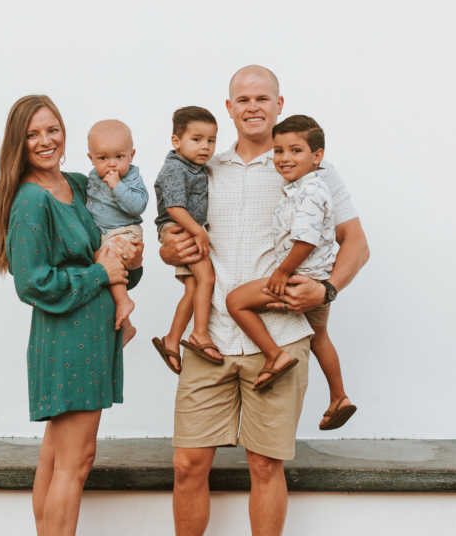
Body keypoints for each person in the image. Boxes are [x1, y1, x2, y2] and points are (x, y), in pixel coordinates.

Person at [159, 66, 369, 536]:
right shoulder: (202, 165)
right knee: (188, 465)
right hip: (208, 337)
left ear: (279, 104)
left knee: (265, 467)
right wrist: (166, 247)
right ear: (229, 108)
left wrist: (327, 288)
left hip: (282, 336)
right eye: (243, 99)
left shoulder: (308, 166)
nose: (252, 106)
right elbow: (172, 236)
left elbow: (356, 242)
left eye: (262, 98)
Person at [0, 95, 143, 535]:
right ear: (18, 144)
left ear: (65, 132)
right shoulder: (30, 202)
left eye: (52, 129)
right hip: (65, 337)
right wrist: (100, 273)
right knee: (75, 464)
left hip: (92, 335)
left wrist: (130, 260)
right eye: (33, 134)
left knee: (57, 457)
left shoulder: (79, 185)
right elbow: (32, 283)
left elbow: (113, 252)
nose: (45, 141)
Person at [226, 115, 357, 429]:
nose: (285, 158)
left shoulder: (310, 192)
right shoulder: (302, 187)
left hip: (302, 279)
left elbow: (306, 239)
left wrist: (283, 272)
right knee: (319, 337)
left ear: (317, 156)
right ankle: (339, 396)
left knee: (235, 302)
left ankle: (274, 356)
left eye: (296, 151)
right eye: (279, 151)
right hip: (317, 279)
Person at [151, 106, 220, 374]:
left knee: (193, 289)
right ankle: (200, 334)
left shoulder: (195, 166)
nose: (205, 147)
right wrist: (199, 231)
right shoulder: (175, 168)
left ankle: (171, 339)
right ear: (176, 141)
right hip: (180, 227)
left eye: (211, 140)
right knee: (208, 279)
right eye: (197, 139)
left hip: (186, 226)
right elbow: (174, 207)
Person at [85, 118, 149, 346]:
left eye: (119, 157)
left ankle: (124, 303)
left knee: (108, 259)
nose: (112, 164)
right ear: (91, 159)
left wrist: (117, 186)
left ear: (131, 155)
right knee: (100, 260)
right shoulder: (91, 177)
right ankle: (127, 326)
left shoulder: (131, 178)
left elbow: (137, 205)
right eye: (103, 158)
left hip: (125, 232)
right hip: (105, 234)